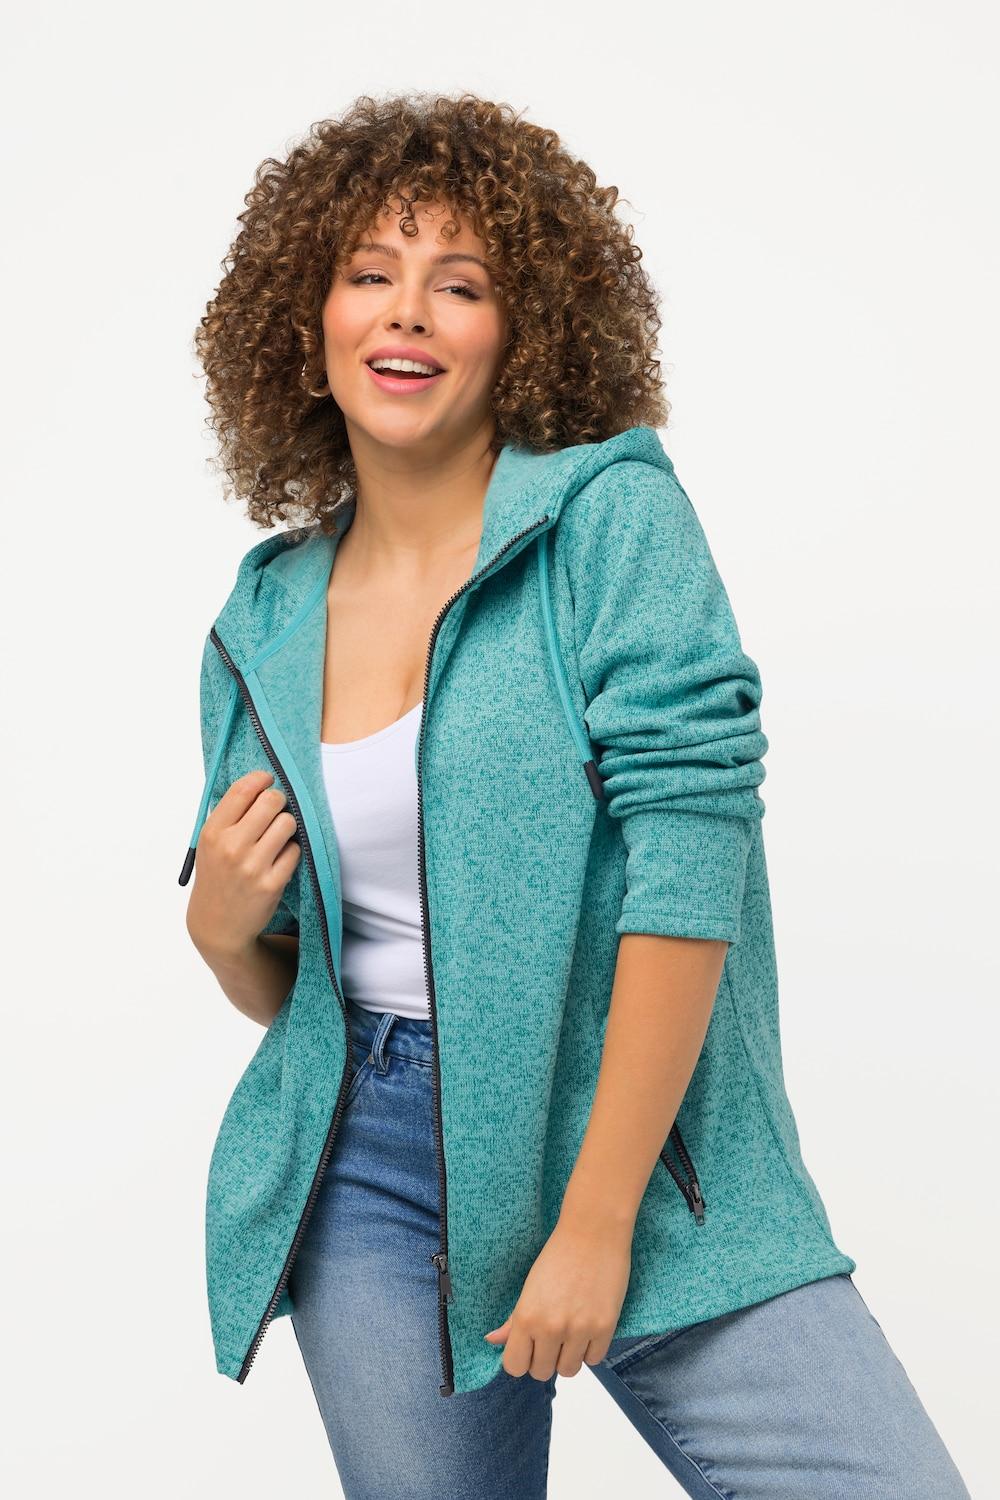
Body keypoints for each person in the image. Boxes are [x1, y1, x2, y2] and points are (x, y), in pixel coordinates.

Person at [180, 91, 971, 1499]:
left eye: (460, 283)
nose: (406, 313)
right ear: (306, 317)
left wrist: (596, 1219)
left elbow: (693, 855)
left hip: (635, 1144)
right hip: (368, 1171)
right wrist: (221, 934)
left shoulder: (609, 521)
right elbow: (304, 994)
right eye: (368, 273)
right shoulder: (265, 618)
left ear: (526, 326)